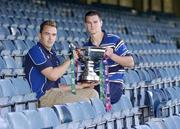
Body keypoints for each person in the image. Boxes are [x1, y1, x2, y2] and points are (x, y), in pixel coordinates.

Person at [24, 20, 99, 107]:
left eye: (53, 35)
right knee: (84, 101)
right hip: (44, 97)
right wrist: (71, 59)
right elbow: (53, 76)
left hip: (56, 93)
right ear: (40, 35)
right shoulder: (36, 51)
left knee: (92, 93)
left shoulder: (52, 54)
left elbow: (58, 86)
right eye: (47, 34)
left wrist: (82, 86)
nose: (50, 38)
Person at [84, 10, 134, 104]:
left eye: (95, 22)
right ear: (85, 25)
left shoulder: (114, 40)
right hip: (96, 85)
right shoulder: (86, 47)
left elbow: (131, 63)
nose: (92, 25)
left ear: (101, 23)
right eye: (89, 23)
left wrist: (112, 55)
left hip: (113, 83)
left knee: (96, 98)